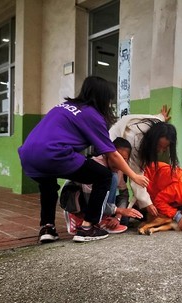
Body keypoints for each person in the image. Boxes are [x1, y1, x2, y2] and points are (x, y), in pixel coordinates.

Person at [18, 76, 149, 243]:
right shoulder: (92, 115)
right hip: (55, 153)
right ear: (103, 98)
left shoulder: (63, 106)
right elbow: (112, 154)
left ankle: (47, 227)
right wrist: (134, 175)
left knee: (48, 186)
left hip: (29, 155)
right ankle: (88, 227)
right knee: (104, 176)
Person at [63, 137, 143, 234]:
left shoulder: (119, 168)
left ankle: (103, 217)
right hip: (76, 199)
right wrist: (119, 210)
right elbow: (91, 202)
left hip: (97, 201)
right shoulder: (96, 165)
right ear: (107, 155)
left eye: (124, 159)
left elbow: (124, 194)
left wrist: (118, 216)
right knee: (112, 176)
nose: (118, 162)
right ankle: (77, 215)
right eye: (116, 157)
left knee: (124, 221)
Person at [109, 106, 179, 217]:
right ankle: (105, 215)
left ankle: (115, 213)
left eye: (164, 148)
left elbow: (157, 118)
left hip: (123, 159)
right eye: (159, 146)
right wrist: (147, 203)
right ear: (152, 140)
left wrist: (162, 116)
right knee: (112, 178)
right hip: (112, 145)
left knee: (121, 189)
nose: (160, 151)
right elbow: (136, 176)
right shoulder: (134, 140)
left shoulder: (157, 125)